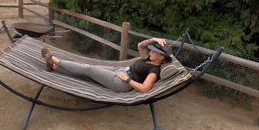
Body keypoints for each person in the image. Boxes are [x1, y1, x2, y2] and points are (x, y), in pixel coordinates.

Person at [41, 37, 173, 93]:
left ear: (161, 56)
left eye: (154, 51)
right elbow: (141, 45)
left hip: (122, 83)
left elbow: (144, 88)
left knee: (89, 68)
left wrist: (127, 79)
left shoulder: (154, 70)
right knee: (87, 69)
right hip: (120, 70)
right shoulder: (148, 58)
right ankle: (54, 68)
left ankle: (52, 58)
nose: (150, 51)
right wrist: (155, 39)